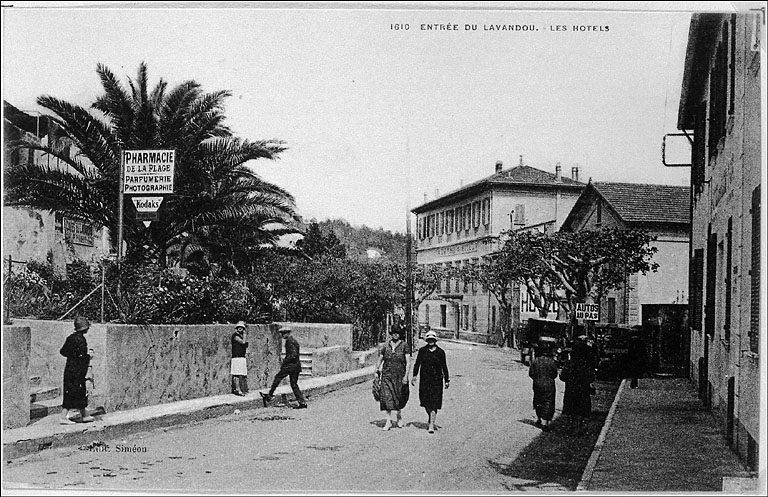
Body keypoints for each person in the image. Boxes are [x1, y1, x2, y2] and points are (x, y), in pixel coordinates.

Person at [412, 330, 449, 434]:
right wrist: (414, 376)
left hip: (437, 381)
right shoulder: (422, 351)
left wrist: (447, 380)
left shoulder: (440, 352)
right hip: (425, 380)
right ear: (427, 340)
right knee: (425, 401)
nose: (431, 341)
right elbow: (417, 364)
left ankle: (431, 424)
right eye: (429, 340)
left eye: (432, 339)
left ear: (435, 340)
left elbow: (444, 366)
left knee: (434, 402)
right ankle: (430, 417)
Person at [261, 326, 308, 409]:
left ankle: (269, 396)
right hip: (296, 366)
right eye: (282, 333)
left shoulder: (290, 341)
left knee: (278, 378)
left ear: (288, 333)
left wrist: (285, 361)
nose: (282, 335)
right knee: (294, 384)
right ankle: (302, 402)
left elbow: (293, 355)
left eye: (284, 333)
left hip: (290, 366)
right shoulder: (293, 340)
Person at [60, 316, 94, 424]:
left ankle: (83, 415)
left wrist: (73, 355)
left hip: (70, 368)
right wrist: (89, 356)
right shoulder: (81, 340)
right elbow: (82, 357)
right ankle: (62, 417)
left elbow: (63, 352)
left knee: (75, 391)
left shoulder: (70, 338)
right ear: (84, 329)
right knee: (76, 392)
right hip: (77, 370)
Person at [376, 324, 411, 431]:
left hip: (400, 376)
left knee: (399, 397)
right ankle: (388, 421)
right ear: (391, 334)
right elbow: (380, 359)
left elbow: (408, 362)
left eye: (398, 333)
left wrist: (406, 376)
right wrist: (376, 369)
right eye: (394, 333)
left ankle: (399, 415)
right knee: (387, 397)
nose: (396, 335)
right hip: (387, 375)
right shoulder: (385, 346)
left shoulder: (405, 345)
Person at [561, 336, 596, 419]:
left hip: (571, 396)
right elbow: (591, 377)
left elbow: (562, 376)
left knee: (570, 417)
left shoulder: (570, 364)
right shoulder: (586, 364)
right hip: (583, 396)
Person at [528, 336, 559, 431]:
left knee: (538, 400)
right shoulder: (551, 362)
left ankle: (539, 418)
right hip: (549, 385)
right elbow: (555, 374)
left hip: (537, 384)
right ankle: (545, 422)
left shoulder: (536, 361)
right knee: (548, 402)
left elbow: (531, 373)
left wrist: (537, 379)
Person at [231, 321, 249, 396]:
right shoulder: (235, 336)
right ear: (237, 328)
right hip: (236, 357)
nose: (240, 329)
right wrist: (245, 334)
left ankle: (242, 389)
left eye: (242, 328)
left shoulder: (241, 335)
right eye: (239, 327)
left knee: (242, 374)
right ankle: (237, 390)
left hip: (242, 356)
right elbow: (243, 342)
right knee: (236, 374)